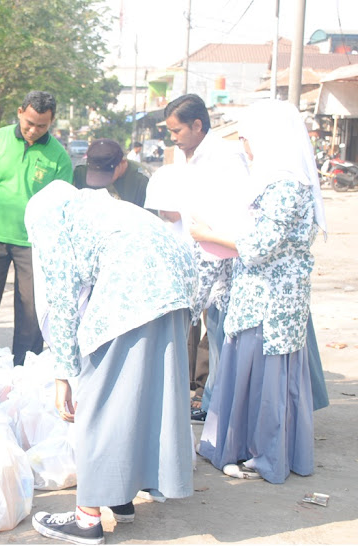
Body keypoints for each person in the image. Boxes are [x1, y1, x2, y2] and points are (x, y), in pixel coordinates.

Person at [26, 180, 196, 545]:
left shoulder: (49, 218)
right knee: (142, 395)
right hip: (176, 286)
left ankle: (87, 520)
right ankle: (121, 497)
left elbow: (63, 296)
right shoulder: (101, 209)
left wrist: (64, 374)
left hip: (133, 286)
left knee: (101, 404)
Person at [190, 100, 327, 483]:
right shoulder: (275, 181)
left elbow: (259, 245)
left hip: (271, 302)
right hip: (262, 297)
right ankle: (247, 447)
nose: (246, 148)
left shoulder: (285, 186)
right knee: (256, 376)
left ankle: (263, 453)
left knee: (267, 381)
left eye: (249, 140)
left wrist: (206, 235)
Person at [0, 90, 73, 366]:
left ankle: (25, 368)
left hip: (34, 244)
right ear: (20, 112)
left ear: (52, 122)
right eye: (29, 122)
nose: (33, 130)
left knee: (32, 309)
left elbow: (63, 206)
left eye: (41, 125)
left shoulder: (59, 157)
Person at [164, 94, 251, 421]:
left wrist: (211, 238)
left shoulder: (227, 156)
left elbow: (239, 212)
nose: (173, 137)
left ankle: (217, 404)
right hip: (190, 253)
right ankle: (204, 400)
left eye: (177, 130)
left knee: (218, 335)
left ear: (197, 125)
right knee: (190, 330)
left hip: (221, 257)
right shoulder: (182, 154)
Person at [73, 139, 149, 206]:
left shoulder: (142, 179)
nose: (99, 180)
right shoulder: (81, 171)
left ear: (122, 162)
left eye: (105, 174)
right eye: (95, 173)